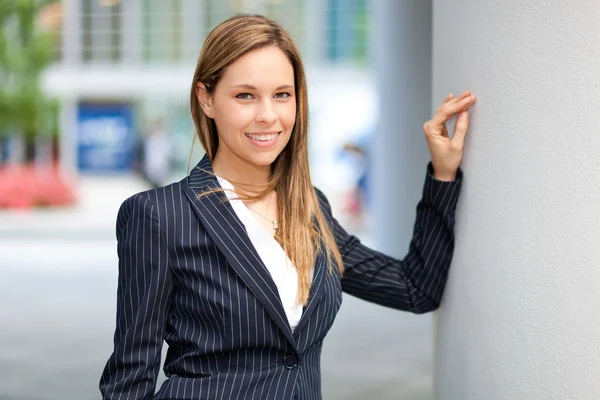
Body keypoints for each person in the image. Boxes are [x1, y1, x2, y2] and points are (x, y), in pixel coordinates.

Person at [99, 14, 476, 400]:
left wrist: (443, 176)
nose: (268, 115)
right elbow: (129, 381)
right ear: (206, 99)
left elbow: (415, 289)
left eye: (282, 94)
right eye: (245, 95)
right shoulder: (160, 215)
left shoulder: (311, 209)